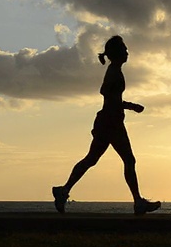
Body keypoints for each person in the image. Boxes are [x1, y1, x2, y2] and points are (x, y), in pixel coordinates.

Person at [52, 35, 161, 215]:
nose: (127, 52)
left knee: (91, 159)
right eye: (124, 50)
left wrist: (126, 106)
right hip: (111, 123)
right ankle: (138, 202)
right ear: (118, 53)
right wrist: (131, 106)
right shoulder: (114, 72)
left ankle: (63, 190)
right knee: (128, 160)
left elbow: (109, 95)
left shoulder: (115, 70)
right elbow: (107, 95)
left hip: (108, 121)